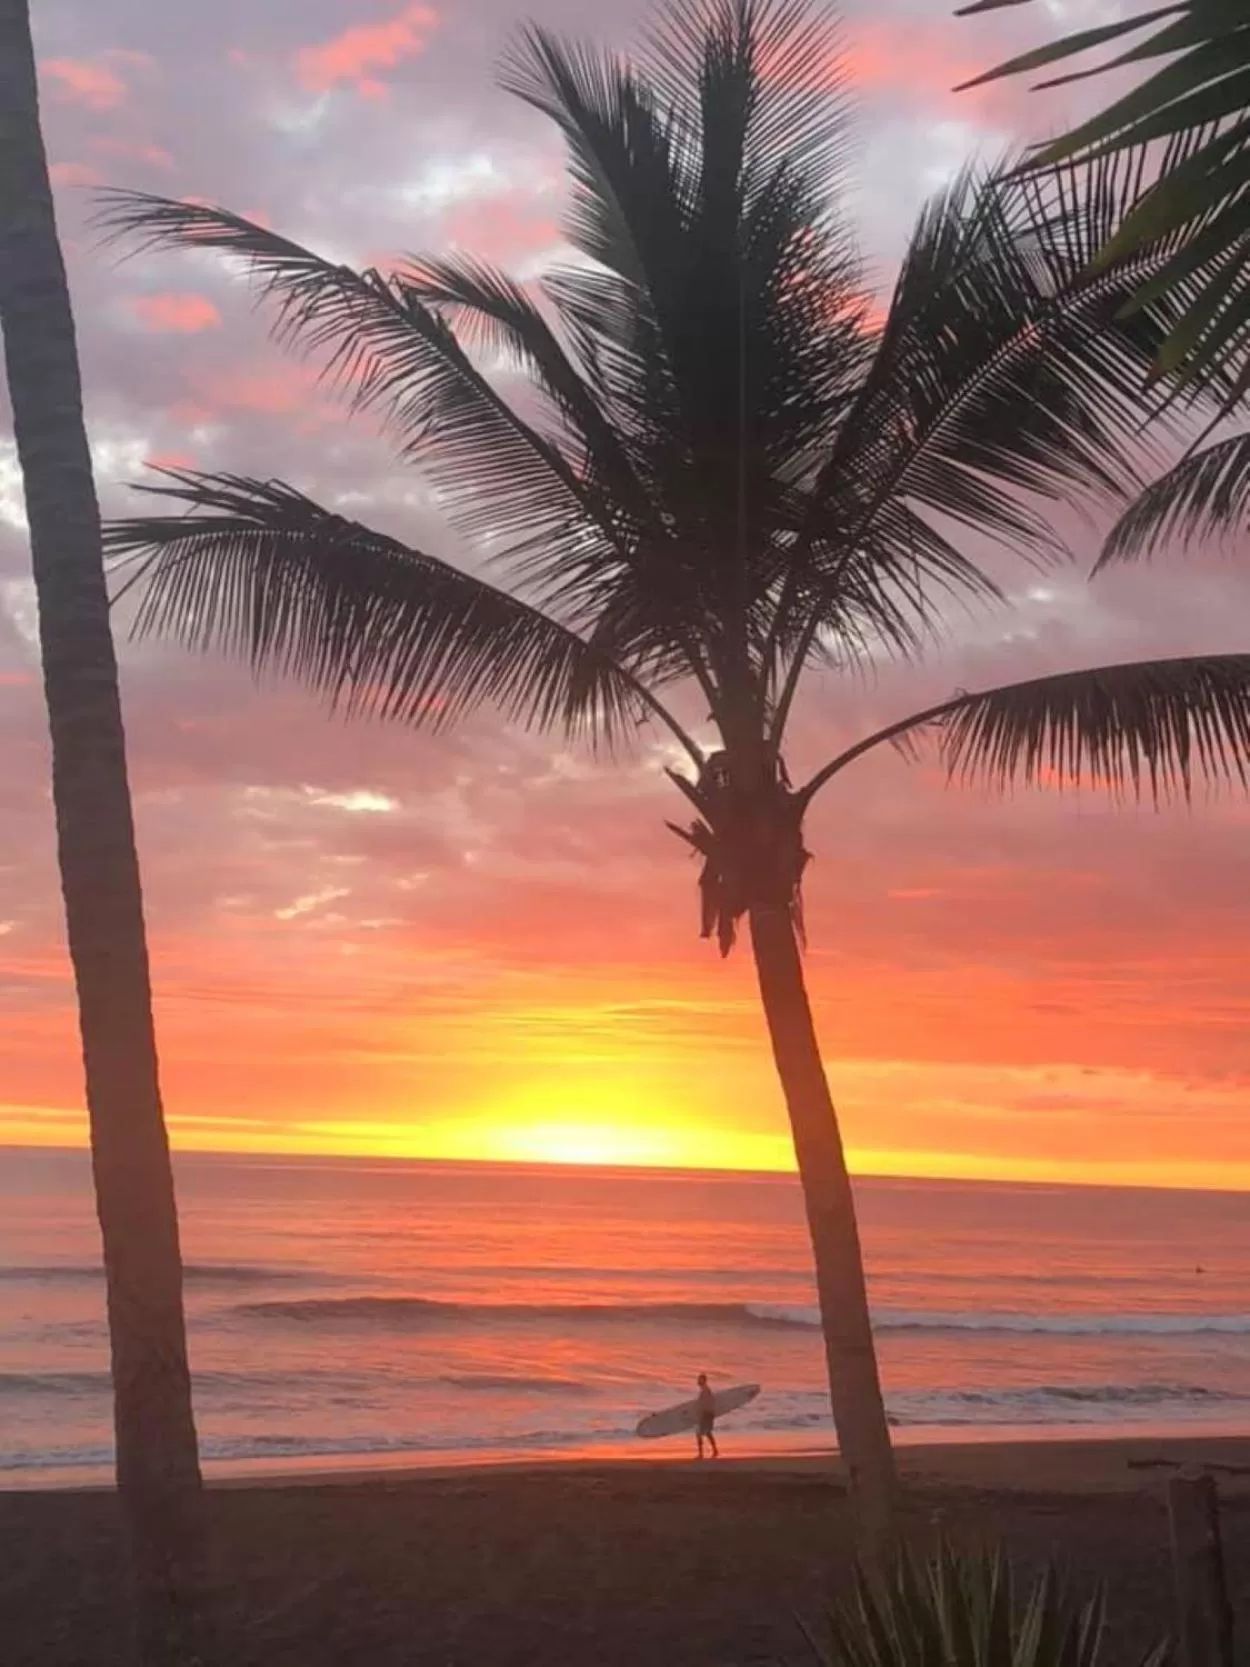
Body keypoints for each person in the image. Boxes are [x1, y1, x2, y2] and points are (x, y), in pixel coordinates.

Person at [695, 1372, 718, 1460]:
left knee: (699, 1433)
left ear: (704, 1380)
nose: (698, 1381)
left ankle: (701, 1454)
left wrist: (702, 1414)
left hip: (706, 1414)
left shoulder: (705, 1390)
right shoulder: (705, 1390)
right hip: (707, 1414)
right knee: (707, 1433)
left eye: (699, 1379)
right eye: (698, 1379)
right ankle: (714, 1451)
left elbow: (706, 1403)